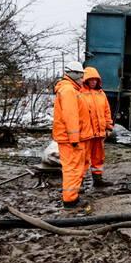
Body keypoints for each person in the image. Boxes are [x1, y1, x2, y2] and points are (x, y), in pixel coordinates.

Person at [52, 61, 91, 213]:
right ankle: (70, 200)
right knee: (72, 169)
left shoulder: (70, 89)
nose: (83, 80)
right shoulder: (69, 91)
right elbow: (71, 116)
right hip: (71, 139)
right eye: (81, 77)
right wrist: (75, 139)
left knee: (73, 168)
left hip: (71, 138)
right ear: (75, 75)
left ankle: (71, 195)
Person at [82, 66, 114, 188]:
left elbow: (107, 112)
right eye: (91, 79)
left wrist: (108, 127)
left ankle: (98, 179)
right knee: (84, 159)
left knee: (98, 158)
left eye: (95, 80)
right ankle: (79, 183)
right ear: (86, 80)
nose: (93, 82)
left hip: (99, 133)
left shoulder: (102, 94)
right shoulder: (81, 94)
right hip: (87, 134)